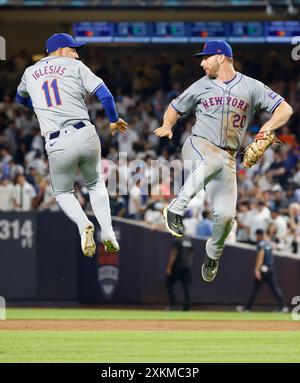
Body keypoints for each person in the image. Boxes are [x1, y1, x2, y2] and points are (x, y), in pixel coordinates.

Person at [155, 40, 293, 282]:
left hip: (227, 156)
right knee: (212, 159)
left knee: (226, 217)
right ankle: (175, 210)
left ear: (221, 57)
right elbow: (174, 108)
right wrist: (167, 124)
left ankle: (212, 254)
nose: (201, 62)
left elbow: (285, 109)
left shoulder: (251, 86)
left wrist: (266, 129)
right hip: (198, 145)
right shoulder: (201, 85)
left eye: (205, 57)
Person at [15, 33, 128, 257]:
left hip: (57, 142)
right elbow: (104, 94)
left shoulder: (29, 72)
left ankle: (83, 224)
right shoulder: (75, 66)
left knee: (63, 193)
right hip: (85, 133)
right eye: (73, 49)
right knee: (95, 184)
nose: (76, 54)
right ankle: (107, 232)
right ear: (59, 50)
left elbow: (20, 98)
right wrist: (113, 119)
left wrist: (40, 108)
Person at [236, 229, 288, 313]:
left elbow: (260, 256)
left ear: (259, 235)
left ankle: (248, 308)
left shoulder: (260, 244)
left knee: (255, 289)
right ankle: (283, 306)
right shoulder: (268, 243)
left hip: (263, 270)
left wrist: (256, 269)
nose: (256, 237)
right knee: (275, 289)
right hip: (270, 269)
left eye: (256, 235)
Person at [165, 236, 194, 311]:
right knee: (186, 286)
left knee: (169, 284)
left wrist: (169, 266)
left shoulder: (176, 240)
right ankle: (188, 305)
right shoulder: (189, 240)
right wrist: (189, 262)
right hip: (187, 266)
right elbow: (191, 253)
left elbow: (174, 253)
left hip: (177, 265)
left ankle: (174, 305)